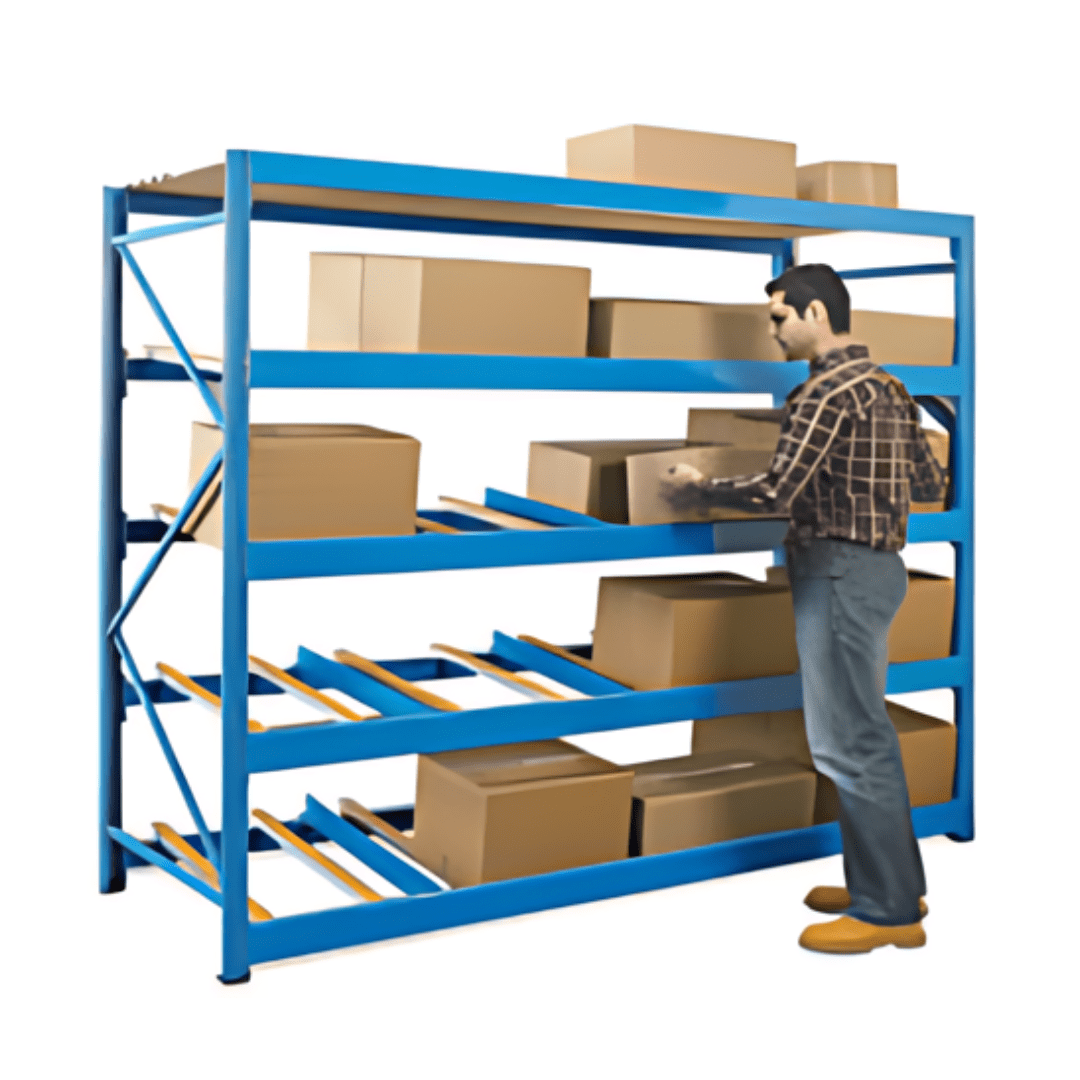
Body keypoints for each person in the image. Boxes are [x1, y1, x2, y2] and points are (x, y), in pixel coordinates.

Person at [662, 263, 946, 954]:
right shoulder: (892, 387)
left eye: (779, 317)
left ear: (817, 313)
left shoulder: (821, 393)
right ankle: (890, 883)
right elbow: (931, 481)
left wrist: (699, 489)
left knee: (847, 742)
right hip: (880, 569)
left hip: (837, 572)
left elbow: (777, 491)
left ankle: (886, 913)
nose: (773, 331)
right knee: (863, 733)